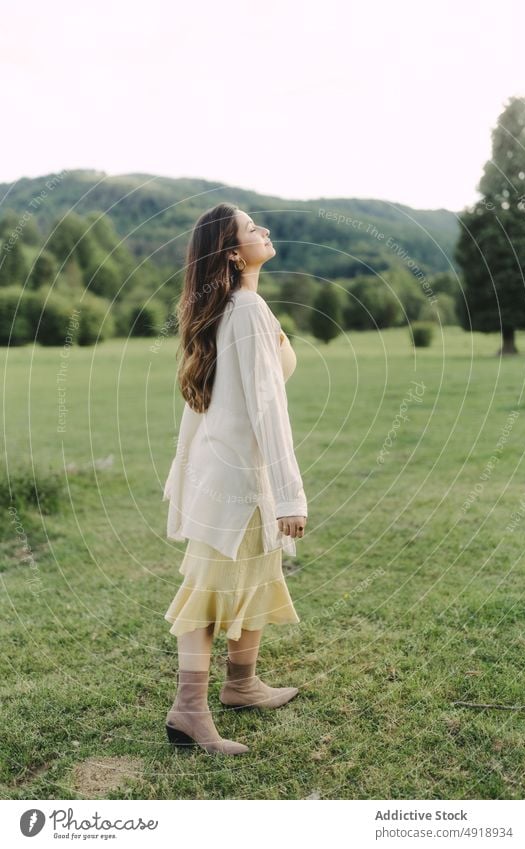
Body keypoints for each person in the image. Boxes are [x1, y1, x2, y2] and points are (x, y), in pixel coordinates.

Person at [162, 202, 308, 755]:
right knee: (209, 592)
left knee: (256, 575)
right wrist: (290, 495)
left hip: (227, 472)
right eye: (252, 229)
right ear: (232, 252)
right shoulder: (244, 310)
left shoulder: (231, 309)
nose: (264, 231)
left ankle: (242, 683)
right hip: (237, 480)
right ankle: (189, 710)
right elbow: (268, 409)